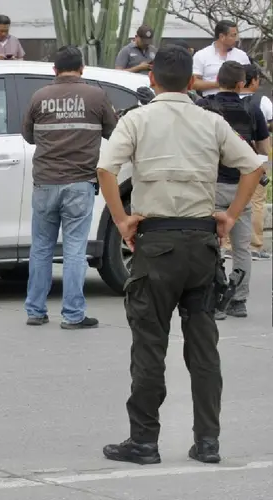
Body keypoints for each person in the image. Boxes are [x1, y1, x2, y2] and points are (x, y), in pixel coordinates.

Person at [97, 45, 264, 466]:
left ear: (152, 79)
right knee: (204, 348)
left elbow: (105, 168)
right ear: (192, 82)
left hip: (155, 245)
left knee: (150, 345)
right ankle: (208, 441)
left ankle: (144, 442)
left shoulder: (136, 119)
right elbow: (254, 166)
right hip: (201, 245)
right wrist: (229, 215)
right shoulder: (211, 121)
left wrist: (121, 220)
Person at [22, 45, 118, 329]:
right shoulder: (96, 96)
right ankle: (73, 315)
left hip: (45, 183)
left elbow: (28, 136)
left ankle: (35, 311)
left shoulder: (39, 97)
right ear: (82, 69)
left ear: (54, 70)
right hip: (79, 183)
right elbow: (114, 131)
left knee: (41, 247)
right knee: (75, 250)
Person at [196, 61, 270, 320]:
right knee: (241, 247)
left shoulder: (204, 108)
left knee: (211, 245)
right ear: (242, 84)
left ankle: (214, 299)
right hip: (241, 188)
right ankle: (238, 301)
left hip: (211, 185)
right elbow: (263, 150)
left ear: (217, 78)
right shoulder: (253, 110)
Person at [238, 64, 272, 260]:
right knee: (256, 201)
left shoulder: (223, 100)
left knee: (230, 199)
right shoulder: (262, 101)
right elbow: (269, 129)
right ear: (254, 81)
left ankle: (227, 245)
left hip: (229, 160)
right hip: (256, 159)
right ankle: (254, 245)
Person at [192, 20, 250, 97]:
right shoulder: (201, 55)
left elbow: (250, 81)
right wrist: (218, 84)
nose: (236, 39)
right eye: (233, 35)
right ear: (222, 37)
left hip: (239, 102)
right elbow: (193, 83)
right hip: (211, 103)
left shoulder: (241, 55)